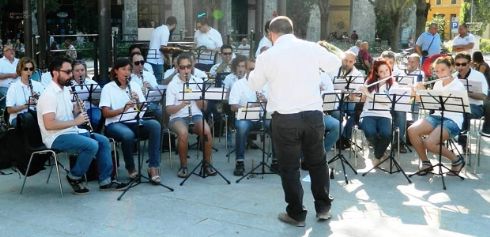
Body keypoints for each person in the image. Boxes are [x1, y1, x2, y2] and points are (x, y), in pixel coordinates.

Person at [248, 16, 340, 226]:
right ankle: (324, 208)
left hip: (285, 118)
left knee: (289, 168)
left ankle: (296, 214)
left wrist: (252, 72)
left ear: (272, 34)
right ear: (291, 30)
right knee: (318, 163)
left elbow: (254, 84)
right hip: (313, 116)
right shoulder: (310, 48)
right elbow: (335, 63)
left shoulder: (268, 55)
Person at [37, 56, 127, 194]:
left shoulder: (65, 90)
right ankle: (74, 176)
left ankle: (106, 180)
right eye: (67, 72)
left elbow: (68, 115)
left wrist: (76, 110)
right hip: (55, 136)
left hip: (70, 131)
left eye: (70, 72)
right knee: (91, 145)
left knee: (103, 141)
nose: (71, 75)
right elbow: (49, 124)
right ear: (55, 73)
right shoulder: (49, 95)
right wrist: (76, 121)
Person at [99, 58, 162, 184]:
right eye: (123, 69)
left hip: (133, 121)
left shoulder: (134, 86)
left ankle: (153, 167)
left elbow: (143, 109)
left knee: (155, 125)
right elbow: (105, 113)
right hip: (114, 124)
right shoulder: (108, 88)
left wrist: (138, 102)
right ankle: (131, 168)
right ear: (116, 71)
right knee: (128, 135)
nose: (127, 72)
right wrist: (123, 109)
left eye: (129, 69)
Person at [407, 56, 467, 175]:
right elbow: (429, 104)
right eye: (437, 71)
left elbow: (454, 105)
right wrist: (417, 93)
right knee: (412, 130)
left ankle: (456, 160)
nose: (439, 74)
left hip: (452, 119)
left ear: (451, 69)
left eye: (443, 70)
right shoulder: (437, 84)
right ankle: (426, 163)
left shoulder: (458, 85)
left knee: (430, 143)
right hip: (437, 116)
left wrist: (424, 91)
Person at [165, 53, 217, 178]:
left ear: (192, 67)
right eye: (182, 68)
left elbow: (204, 107)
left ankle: (207, 164)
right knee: (183, 133)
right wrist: (182, 104)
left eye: (188, 67)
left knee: (207, 132)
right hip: (178, 116)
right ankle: (183, 166)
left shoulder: (198, 82)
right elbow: (168, 110)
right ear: (177, 68)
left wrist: (198, 99)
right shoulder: (173, 84)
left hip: (195, 115)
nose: (186, 70)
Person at [228, 61, 270, 176]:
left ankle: (276, 161)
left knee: (275, 125)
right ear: (245, 69)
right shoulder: (238, 84)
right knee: (241, 127)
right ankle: (240, 162)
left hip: (262, 117)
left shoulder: (265, 84)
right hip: (245, 117)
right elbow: (233, 107)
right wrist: (248, 107)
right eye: (251, 69)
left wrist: (265, 100)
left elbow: (275, 103)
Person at [358, 60, 395, 166]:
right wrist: (360, 94)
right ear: (377, 73)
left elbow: (387, 101)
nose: (385, 74)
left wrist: (368, 95)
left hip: (384, 114)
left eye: (387, 70)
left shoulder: (393, 84)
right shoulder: (369, 83)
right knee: (369, 132)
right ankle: (381, 151)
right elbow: (362, 98)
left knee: (386, 134)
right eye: (381, 71)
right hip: (368, 113)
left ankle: (377, 155)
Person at [330, 51, 364, 149]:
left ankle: (344, 137)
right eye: (345, 60)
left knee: (355, 115)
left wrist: (354, 95)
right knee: (337, 114)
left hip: (349, 101)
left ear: (354, 62)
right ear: (341, 59)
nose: (347, 63)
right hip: (334, 101)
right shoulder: (332, 70)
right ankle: (337, 138)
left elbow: (358, 92)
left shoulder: (358, 75)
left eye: (350, 61)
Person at [454, 53, 488, 149]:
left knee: (464, 110)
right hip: (456, 105)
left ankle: (462, 137)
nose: (460, 67)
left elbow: (484, 96)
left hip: (475, 106)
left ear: (469, 64)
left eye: (463, 64)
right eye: (457, 64)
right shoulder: (453, 76)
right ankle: (443, 138)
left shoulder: (478, 76)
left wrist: (466, 93)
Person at [6, 57, 44, 127]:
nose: (29, 71)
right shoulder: (13, 87)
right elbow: (9, 110)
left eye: (31, 69)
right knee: (29, 122)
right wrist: (26, 105)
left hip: (36, 115)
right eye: (26, 69)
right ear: (20, 70)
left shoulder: (38, 85)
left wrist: (39, 100)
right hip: (18, 118)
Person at [380, 51, 406, 153]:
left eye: (390, 62)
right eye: (385, 62)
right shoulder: (376, 72)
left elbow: (405, 89)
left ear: (394, 63)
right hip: (380, 103)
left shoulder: (400, 73)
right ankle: (379, 139)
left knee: (401, 112)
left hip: (395, 102)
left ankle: (398, 142)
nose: (388, 65)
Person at [129, 52, 162, 123]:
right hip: (136, 104)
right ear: (132, 64)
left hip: (150, 102)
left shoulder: (149, 75)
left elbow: (158, 93)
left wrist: (151, 88)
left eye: (142, 62)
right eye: (137, 63)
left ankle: (161, 132)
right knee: (157, 110)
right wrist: (140, 91)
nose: (140, 65)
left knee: (158, 110)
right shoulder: (129, 77)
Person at [71, 60, 102, 130]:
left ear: (85, 71)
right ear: (72, 72)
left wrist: (92, 99)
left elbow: (99, 103)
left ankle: (95, 133)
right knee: (78, 124)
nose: (80, 73)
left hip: (91, 108)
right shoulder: (68, 85)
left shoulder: (93, 84)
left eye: (82, 70)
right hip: (76, 110)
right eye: (77, 71)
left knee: (95, 119)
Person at [147, 16, 177, 83]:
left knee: (150, 80)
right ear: (174, 25)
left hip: (150, 57)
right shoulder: (166, 31)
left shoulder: (157, 29)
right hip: (157, 60)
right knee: (159, 81)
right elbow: (162, 48)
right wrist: (167, 59)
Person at [401, 53, 425, 121]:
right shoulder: (403, 71)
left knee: (416, 101)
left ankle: (415, 121)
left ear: (417, 63)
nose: (410, 63)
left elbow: (418, 87)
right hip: (403, 95)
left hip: (413, 96)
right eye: (409, 61)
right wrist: (407, 72)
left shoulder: (420, 73)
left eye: (412, 62)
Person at [0, 45, 19, 110]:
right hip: (4, 87)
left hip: (18, 86)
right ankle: (8, 115)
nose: (11, 51)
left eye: (13, 49)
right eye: (9, 50)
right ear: (4, 52)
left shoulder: (19, 61)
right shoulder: (0, 61)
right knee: (11, 97)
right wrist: (10, 75)